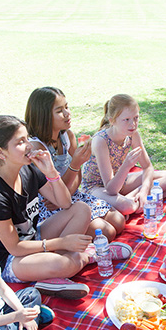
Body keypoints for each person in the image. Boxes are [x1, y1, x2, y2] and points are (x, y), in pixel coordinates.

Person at [0, 115, 95, 300]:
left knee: (81, 209)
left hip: (33, 239)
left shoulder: (27, 170)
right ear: (0, 152)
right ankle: (87, 255)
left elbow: (65, 203)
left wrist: (51, 172)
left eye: (27, 138)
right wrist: (62, 243)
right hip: (8, 261)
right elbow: (15, 248)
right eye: (20, 142)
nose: (28, 145)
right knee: (67, 264)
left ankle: (55, 271)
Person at [25, 87, 127, 241]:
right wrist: (75, 164)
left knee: (119, 221)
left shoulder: (67, 136)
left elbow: (76, 181)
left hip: (72, 196)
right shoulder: (36, 148)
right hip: (49, 208)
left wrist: (77, 166)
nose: (67, 113)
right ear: (44, 116)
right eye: (60, 111)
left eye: (67, 107)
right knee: (107, 233)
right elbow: (55, 195)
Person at [81, 94, 166, 215]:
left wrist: (144, 190)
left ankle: (140, 198)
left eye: (136, 118)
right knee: (127, 206)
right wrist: (127, 165)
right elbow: (111, 189)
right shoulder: (101, 141)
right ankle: (158, 194)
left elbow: (147, 167)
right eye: (126, 120)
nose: (133, 124)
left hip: (119, 181)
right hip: (96, 188)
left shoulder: (133, 134)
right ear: (112, 120)